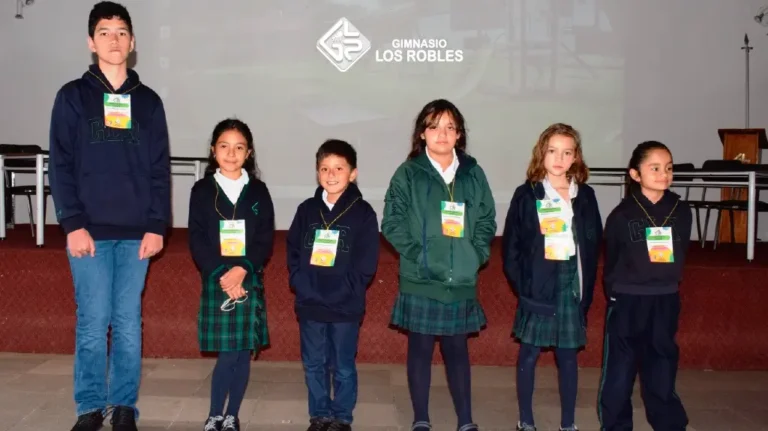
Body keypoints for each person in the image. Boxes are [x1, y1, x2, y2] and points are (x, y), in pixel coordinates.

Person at [48, 2, 170, 430]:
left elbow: (159, 170)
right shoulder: (72, 97)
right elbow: (60, 165)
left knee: (128, 324)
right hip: (89, 232)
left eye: (121, 32)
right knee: (93, 321)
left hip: (137, 233)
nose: (114, 40)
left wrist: (158, 226)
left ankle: (122, 408)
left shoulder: (150, 103)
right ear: (91, 42)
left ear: (132, 42)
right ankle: (89, 407)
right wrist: (72, 223)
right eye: (104, 32)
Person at [381, 99, 496, 431]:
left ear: (459, 135)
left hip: (460, 278)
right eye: (434, 126)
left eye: (449, 127)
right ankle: (421, 418)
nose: (442, 134)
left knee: (457, 349)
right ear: (422, 133)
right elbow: (392, 222)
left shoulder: (473, 172)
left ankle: (465, 420)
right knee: (419, 348)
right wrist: (420, 255)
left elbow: (487, 219)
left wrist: (475, 255)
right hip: (420, 277)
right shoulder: (408, 173)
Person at [502, 123, 603, 431]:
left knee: (568, 358)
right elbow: (511, 248)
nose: (559, 158)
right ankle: (526, 421)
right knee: (529, 355)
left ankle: (568, 423)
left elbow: (594, 242)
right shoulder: (527, 195)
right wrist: (526, 285)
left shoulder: (585, 196)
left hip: (572, 286)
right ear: (541, 153)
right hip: (539, 287)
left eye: (567, 152)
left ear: (576, 158)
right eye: (552, 151)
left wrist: (585, 290)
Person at [287, 139, 380, 431]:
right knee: (314, 364)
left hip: (345, 305)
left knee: (342, 366)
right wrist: (302, 285)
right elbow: (292, 254)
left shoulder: (363, 213)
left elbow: (366, 265)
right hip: (310, 302)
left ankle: (341, 416)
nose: (331, 174)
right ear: (317, 172)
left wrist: (341, 291)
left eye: (339, 168)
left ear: (352, 173)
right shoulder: (306, 210)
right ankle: (320, 414)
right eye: (324, 168)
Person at [598, 141, 691, 431]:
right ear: (635, 174)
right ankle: (616, 426)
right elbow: (612, 257)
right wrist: (617, 294)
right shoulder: (622, 215)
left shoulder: (681, 210)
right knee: (619, 372)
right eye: (654, 168)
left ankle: (670, 424)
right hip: (628, 300)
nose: (663, 174)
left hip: (664, 300)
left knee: (662, 368)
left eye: (668, 168)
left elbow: (682, 253)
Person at [189, 119, 275, 431]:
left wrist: (242, 269)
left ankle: (232, 416)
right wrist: (224, 275)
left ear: (248, 153)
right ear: (213, 151)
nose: (231, 153)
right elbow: (197, 239)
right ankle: (214, 414)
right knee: (227, 353)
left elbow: (265, 237)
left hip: (248, 277)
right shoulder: (201, 190)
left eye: (239, 147)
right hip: (218, 280)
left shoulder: (258, 191)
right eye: (224, 146)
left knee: (242, 352)